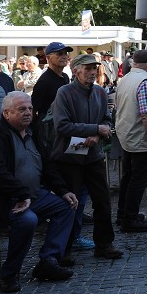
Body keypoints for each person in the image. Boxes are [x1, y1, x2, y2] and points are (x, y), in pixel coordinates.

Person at [0, 92, 78, 292]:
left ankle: (49, 260)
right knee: (27, 220)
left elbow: (46, 165)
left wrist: (63, 190)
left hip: (31, 195)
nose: (28, 113)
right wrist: (21, 194)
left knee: (66, 206)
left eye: (29, 108)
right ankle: (10, 274)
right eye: (22, 109)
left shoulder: (32, 132)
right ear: (6, 113)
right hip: (0, 200)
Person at [52, 53, 122, 260]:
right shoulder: (64, 92)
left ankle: (104, 244)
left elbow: (107, 121)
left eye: (94, 68)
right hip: (69, 157)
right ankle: (63, 249)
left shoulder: (100, 92)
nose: (92, 72)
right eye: (88, 68)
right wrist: (94, 129)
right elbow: (62, 125)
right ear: (76, 71)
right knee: (70, 204)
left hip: (92, 155)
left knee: (102, 200)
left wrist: (98, 132)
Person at [113, 49, 147, 232]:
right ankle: (130, 219)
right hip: (141, 138)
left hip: (127, 135)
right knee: (138, 180)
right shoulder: (145, 82)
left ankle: (123, 214)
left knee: (128, 177)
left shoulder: (125, 79)